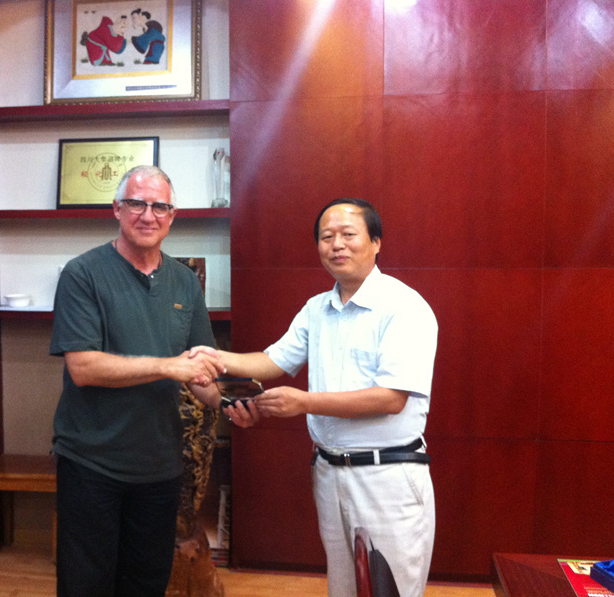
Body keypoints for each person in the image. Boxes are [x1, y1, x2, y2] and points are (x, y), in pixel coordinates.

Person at [192, 198, 438, 597]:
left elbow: (391, 398)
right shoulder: (317, 309)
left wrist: (304, 402)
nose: (336, 244)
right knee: (343, 588)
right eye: (326, 237)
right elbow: (271, 361)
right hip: (329, 472)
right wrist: (212, 357)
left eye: (348, 234)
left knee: (388, 589)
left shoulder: (404, 307)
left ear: (376, 242)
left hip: (386, 476)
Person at [49, 165, 256, 597]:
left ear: (172, 215)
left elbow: (198, 368)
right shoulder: (82, 274)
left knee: (147, 582)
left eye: (160, 206)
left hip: (160, 465)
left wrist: (229, 405)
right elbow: (83, 368)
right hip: (92, 462)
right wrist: (167, 366)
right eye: (136, 204)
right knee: (86, 585)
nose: (148, 215)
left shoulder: (184, 281)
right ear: (116, 209)